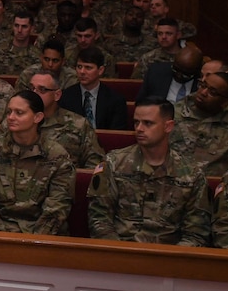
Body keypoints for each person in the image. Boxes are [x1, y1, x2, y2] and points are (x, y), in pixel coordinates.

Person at [87, 97, 211, 246]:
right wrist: (120, 254)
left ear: (168, 126)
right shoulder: (113, 163)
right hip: (121, 253)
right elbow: (99, 219)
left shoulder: (191, 174)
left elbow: (196, 233)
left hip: (171, 258)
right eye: (136, 122)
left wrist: (170, 260)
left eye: (148, 123)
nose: (139, 128)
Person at [0, 90, 75, 234]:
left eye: (19, 113)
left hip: (41, 236)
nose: (11, 117)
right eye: (9, 112)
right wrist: (3, 238)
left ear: (37, 117)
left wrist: (33, 242)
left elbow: (57, 207)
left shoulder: (57, 156)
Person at [169, 71, 228, 176]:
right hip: (172, 182)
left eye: (212, 92)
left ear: (225, 102)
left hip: (214, 186)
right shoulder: (172, 113)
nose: (203, 92)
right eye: (203, 85)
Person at [61, 47, 128, 130]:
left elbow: (116, 135)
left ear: (100, 70)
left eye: (88, 68)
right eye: (79, 66)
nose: (82, 72)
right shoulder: (66, 96)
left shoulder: (115, 100)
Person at [136, 45, 202, 103]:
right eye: (175, 69)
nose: (178, 76)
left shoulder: (202, 84)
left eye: (185, 74)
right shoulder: (156, 72)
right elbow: (141, 102)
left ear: (197, 71)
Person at [0, 11, 39, 76]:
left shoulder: (36, 55)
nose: (19, 30)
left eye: (24, 26)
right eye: (16, 26)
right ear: (12, 27)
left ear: (32, 29)